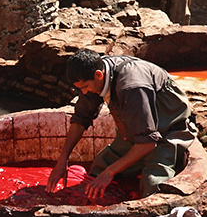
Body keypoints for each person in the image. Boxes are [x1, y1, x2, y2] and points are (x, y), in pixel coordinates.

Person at [46, 49, 197, 199]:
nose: (84, 93)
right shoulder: (95, 77)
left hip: (168, 132)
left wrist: (110, 173)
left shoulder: (131, 87)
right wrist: (63, 160)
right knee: (99, 167)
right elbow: (80, 119)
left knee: (152, 185)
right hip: (137, 134)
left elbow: (148, 143)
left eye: (85, 87)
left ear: (98, 75)